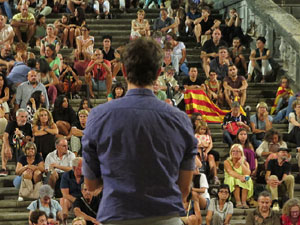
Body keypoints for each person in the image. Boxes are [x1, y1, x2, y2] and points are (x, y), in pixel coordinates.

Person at [82, 38, 197, 224]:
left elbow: (91, 184)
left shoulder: (98, 116)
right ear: (159, 72)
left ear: (125, 71)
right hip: (166, 217)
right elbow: (184, 190)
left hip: (117, 216)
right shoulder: (180, 120)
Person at [0, 109, 32, 176]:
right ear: (17, 117)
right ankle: (3, 168)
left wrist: (21, 135)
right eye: (22, 117)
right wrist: (8, 148)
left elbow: (29, 141)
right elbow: (5, 136)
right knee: (4, 145)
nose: (24, 119)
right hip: (12, 145)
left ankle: (21, 168)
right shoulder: (11, 124)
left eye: (26, 117)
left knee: (27, 146)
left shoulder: (28, 126)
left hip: (22, 146)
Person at [224, 144, 254, 209]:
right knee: (234, 179)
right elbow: (230, 172)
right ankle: (238, 202)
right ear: (230, 153)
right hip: (230, 178)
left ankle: (244, 202)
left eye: (237, 151)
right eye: (233, 151)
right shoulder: (227, 162)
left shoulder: (245, 162)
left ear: (241, 153)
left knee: (248, 179)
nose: (235, 153)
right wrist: (240, 177)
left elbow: (248, 173)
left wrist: (241, 163)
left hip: (242, 179)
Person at [60, 157, 84, 224]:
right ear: (74, 168)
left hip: (84, 199)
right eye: (81, 167)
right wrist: (76, 201)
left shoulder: (87, 175)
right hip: (72, 199)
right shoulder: (66, 175)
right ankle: (64, 222)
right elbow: (65, 194)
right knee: (63, 200)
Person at [288, 100, 300, 179]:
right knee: (297, 128)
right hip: (291, 135)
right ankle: (299, 147)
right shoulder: (292, 114)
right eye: (298, 107)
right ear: (294, 108)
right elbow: (293, 122)